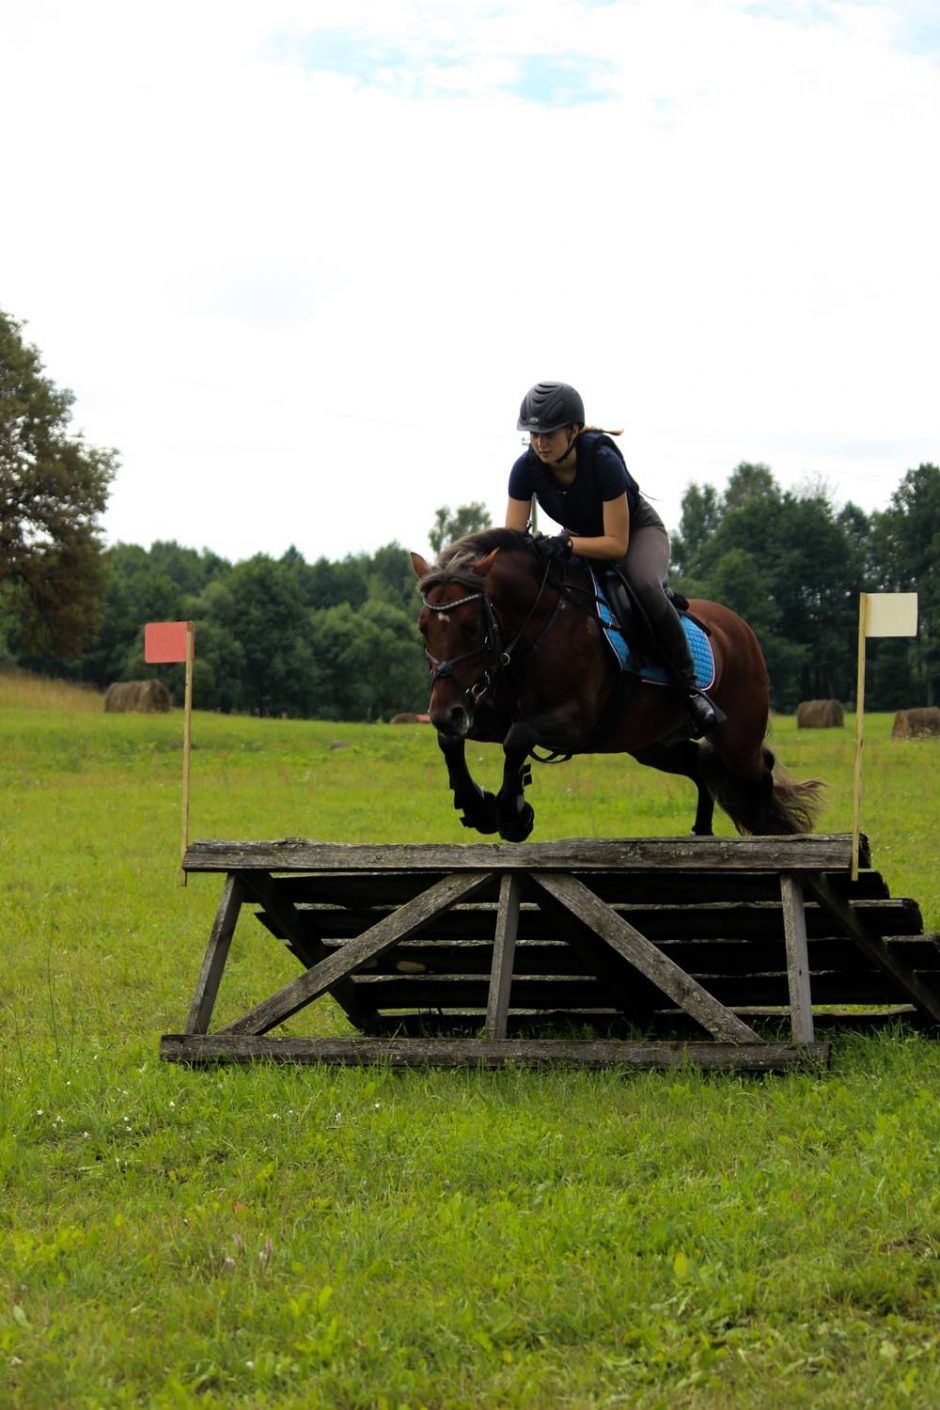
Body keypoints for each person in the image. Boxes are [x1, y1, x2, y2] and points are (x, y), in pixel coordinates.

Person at [506, 380, 720, 737]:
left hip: (634, 534)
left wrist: (569, 547)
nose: (540, 443)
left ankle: (690, 689)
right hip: (577, 538)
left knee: (645, 586)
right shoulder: (525, 468)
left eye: (549, 434)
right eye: (533, 434)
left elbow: (616, 545)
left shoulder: (602, 461)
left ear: (574, 431)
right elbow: (514, 539)